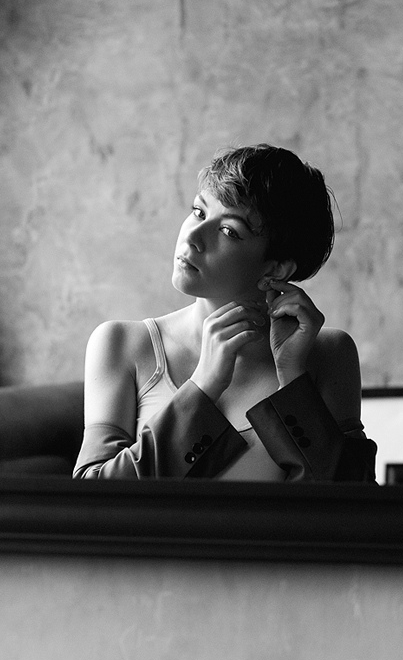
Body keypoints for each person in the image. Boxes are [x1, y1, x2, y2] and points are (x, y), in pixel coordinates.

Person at [73, 144, 377, 481]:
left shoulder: (329, 354)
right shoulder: (122, 343)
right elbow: (91, 495)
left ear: (275, 268)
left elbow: (353, 503)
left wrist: (293, 379)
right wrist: (203, 386)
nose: (192, 236)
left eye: (229, 231)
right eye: (199, 212)